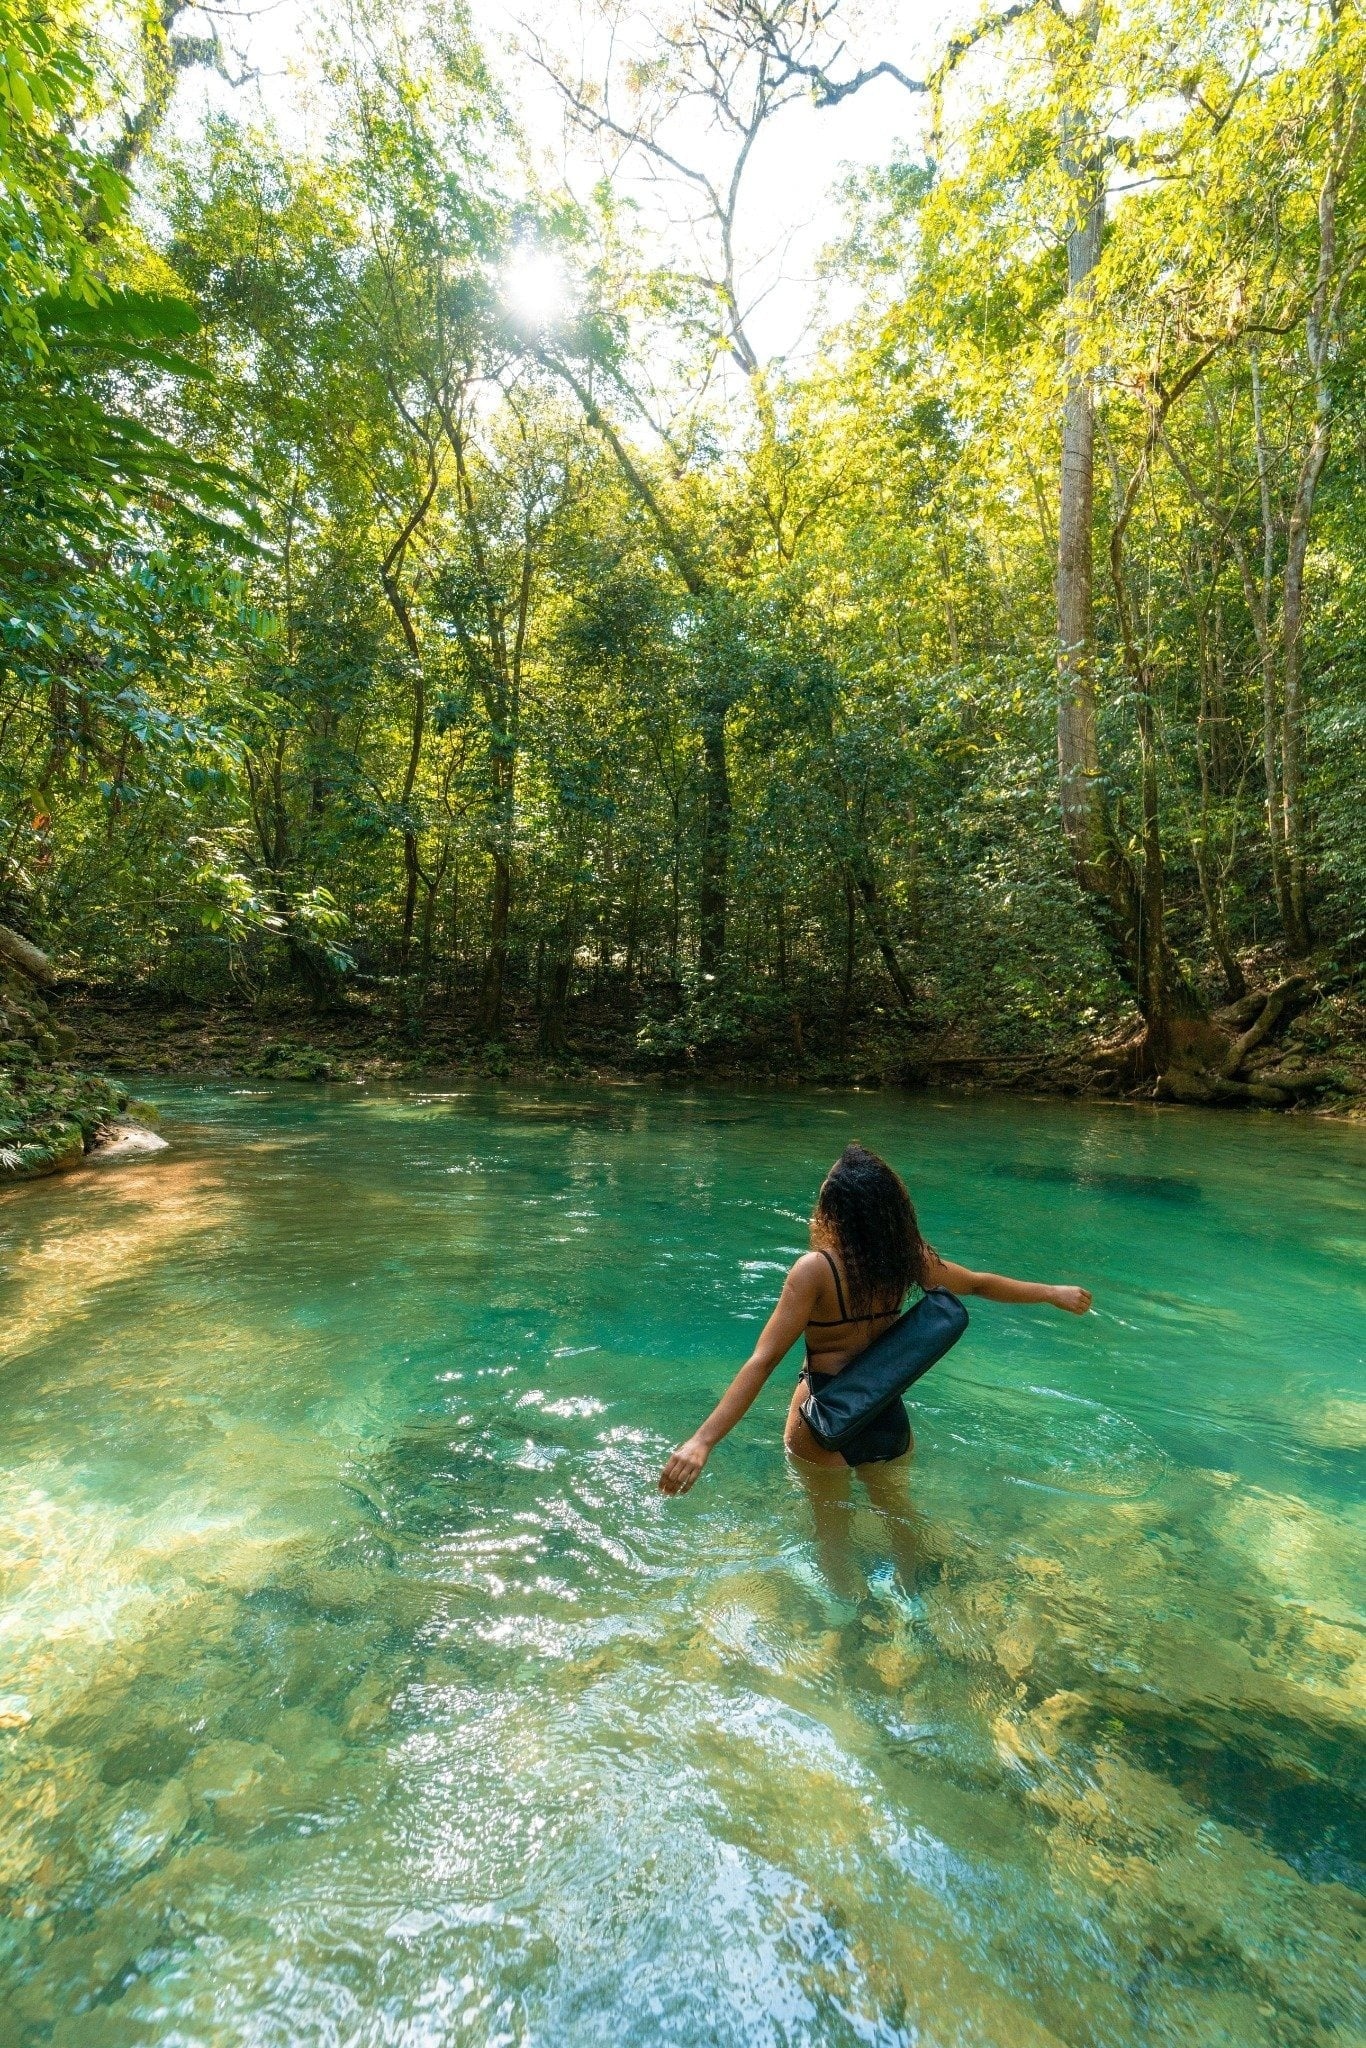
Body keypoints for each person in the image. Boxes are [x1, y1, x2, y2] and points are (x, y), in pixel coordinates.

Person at [658, 1141, 1092, 1496]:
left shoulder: (814, 1271)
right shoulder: (907, 1258)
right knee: (902, 1521)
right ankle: (915, 1592)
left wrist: (703, 1440)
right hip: (886, 1415)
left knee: (833, 1543)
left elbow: (763, 1361)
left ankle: (848, 1602)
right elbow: (977, 1283)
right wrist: (1051, 1292)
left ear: (835, 1210)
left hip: (824, 1417)